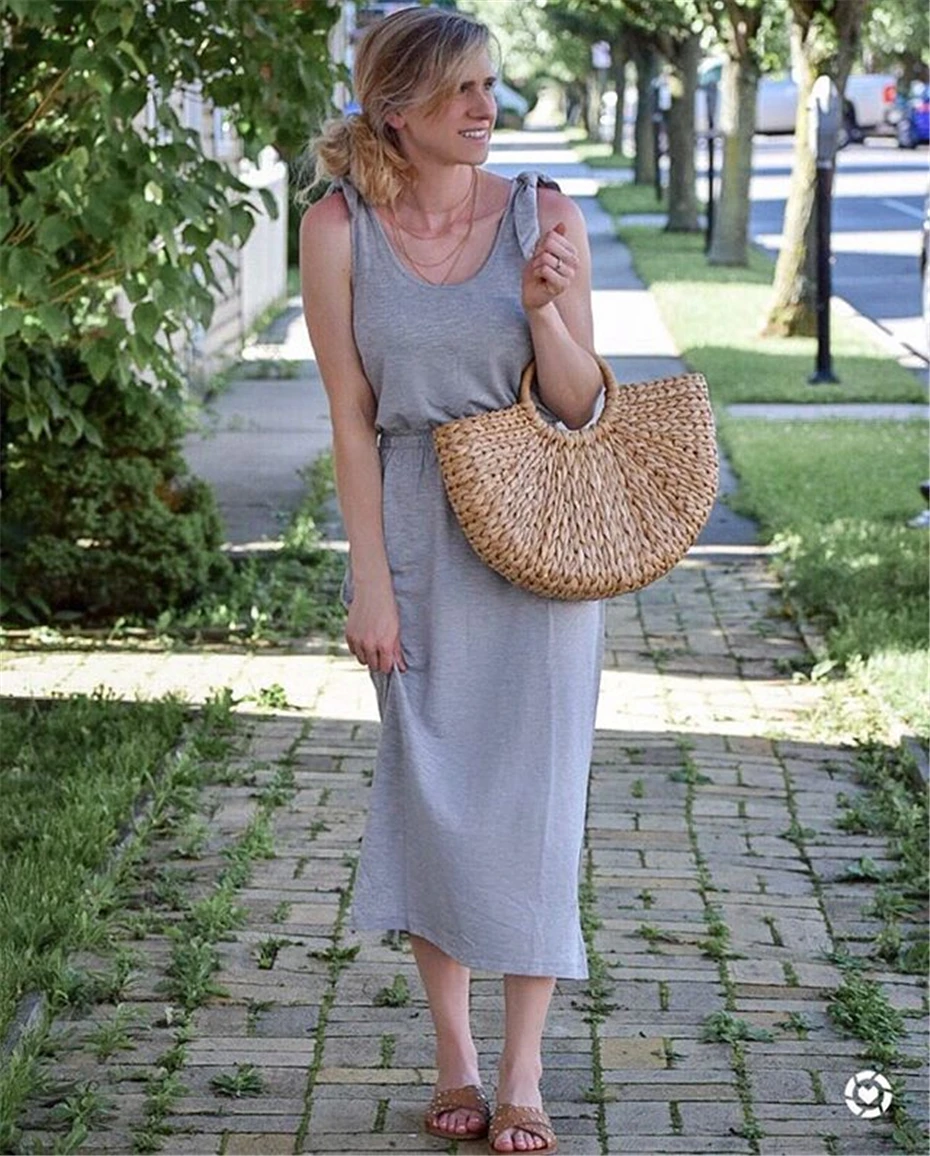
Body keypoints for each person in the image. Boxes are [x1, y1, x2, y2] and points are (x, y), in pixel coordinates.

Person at [299, 7, 604, 1152]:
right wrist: (369, 582)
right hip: (417, 533)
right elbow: (351, 417)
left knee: (537, 802)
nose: (487, 107)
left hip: (540, 535)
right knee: (433, 793)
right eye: (462, 89)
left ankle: (523, 1069)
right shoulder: (337, 228)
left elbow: (581, 404)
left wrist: (544, 312)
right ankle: (456, 1057)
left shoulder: (545, 214)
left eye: (490, 84)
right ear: (396, 108)